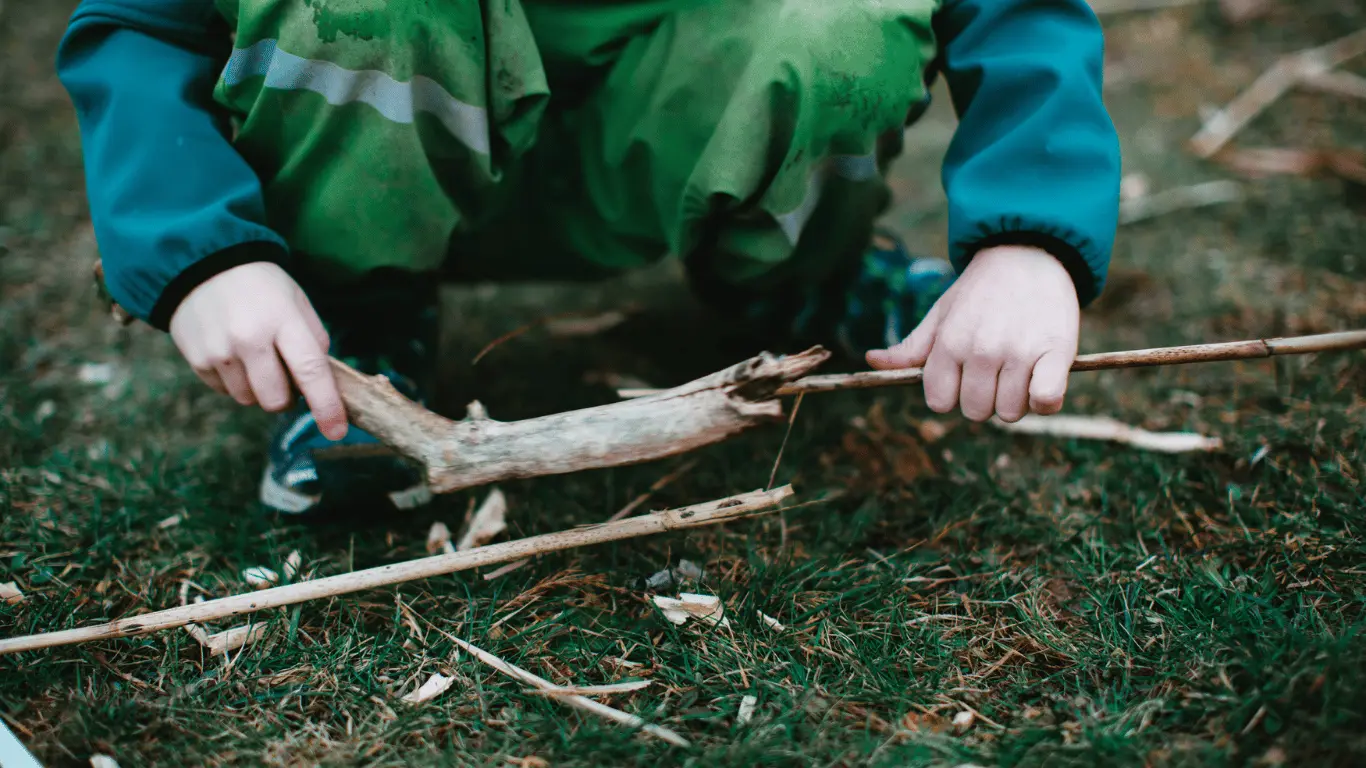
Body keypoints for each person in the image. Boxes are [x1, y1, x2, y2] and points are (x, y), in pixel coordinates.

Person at [56, 0, 1121, 514]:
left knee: (839, 22)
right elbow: (144, 21)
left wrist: (1030, 233)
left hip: (674, 130)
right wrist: (201, 254)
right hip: (397, 145)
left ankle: (804, 277)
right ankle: (355, 328)